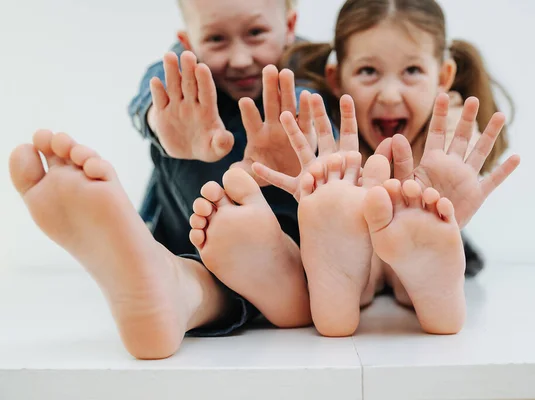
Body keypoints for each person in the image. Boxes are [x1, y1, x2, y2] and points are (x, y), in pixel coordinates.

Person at [7, 0, 317, 361]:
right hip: (189, 232)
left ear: (290, 24)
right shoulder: (183, 72)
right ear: (188, 39)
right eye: (216, 39)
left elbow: (330, 118)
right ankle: (173, 283)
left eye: (256, 33)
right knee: (174, 89)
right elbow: (149, 96)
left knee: (201, 282)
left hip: (286, 235)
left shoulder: (312, 70)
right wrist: (161, 123)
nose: (239, 58)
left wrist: (305, 148)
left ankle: (190, 287)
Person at [244, 0, 520, 336]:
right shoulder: (327, 134)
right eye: (368, 72)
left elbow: (461, 167)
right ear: (336, 79)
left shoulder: (448, 134)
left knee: (413, 228)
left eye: (412, 71)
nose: (390, 95)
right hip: (361, 252)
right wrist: (320, 189)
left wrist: (451, 175)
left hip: (425, 237)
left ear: (444, 76)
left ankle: (419, 279)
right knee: (349, 210)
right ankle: (351, 283)